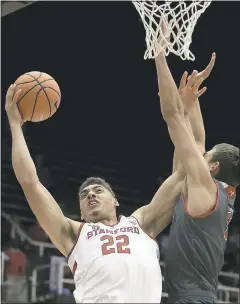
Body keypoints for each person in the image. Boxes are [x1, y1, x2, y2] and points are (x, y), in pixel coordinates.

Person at [5, 84, 187, 303]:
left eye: (98, 191)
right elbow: (30, 183)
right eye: (84, 195)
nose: (91, 195)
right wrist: (15, 124)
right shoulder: (72, 233)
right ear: (81, 212)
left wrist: (183, 114)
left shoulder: (142, 223)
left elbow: (180, 173)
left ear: (115, 201)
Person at [155, 46, 239, 303]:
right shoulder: (218, 192)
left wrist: (159, 56)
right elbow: (199, 141)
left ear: (212, 167)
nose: (199, 156)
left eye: (207, 156)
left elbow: (172, 117)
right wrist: (192, 100)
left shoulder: (205, 187)